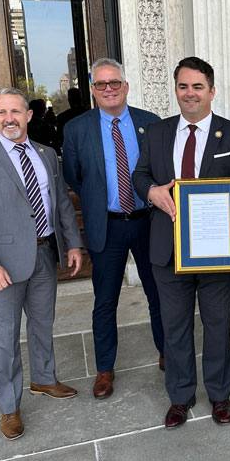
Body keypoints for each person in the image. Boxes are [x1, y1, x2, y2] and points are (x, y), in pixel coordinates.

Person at [132, 56, 230, 428]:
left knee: (218, 325)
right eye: (183, 86)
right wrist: (151, 192)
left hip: (216, 252)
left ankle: (219, 394)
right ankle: (181, 397)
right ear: (176, 90)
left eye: (197, 86)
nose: (190, 93)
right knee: (176, 327)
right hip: (168, 251)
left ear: (211, 91)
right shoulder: (156, 132)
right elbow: (140, 175)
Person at [0, 87, 82, 440]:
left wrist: (73, 244)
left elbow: (60, 204)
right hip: (5, 264)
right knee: (4, 337)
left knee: (43, 324)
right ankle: (9, 407)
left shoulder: (46, 155)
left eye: (15, 111)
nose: (9, 118)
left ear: (29, 115)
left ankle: (43, 378)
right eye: (2, 112)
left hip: (45, 253)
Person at [63, 58, 164, 399]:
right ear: (92, 90)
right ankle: (105, 369)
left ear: (126, 86)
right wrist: (99, 199)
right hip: (106, 225)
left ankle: (168, 354)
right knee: (105, 302)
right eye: (101, 84)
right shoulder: (77, 128)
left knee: (159, 295)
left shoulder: (150, 123)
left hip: (148, 223)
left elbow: (162, 171)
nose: (108, 89)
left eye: (114, 83)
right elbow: (74, 177)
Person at [56, 88, 88, 153]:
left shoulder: (62, 117)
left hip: (71, 151)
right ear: (81, 99)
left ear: (69, 100)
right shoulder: (91, 115)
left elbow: (60, 137)